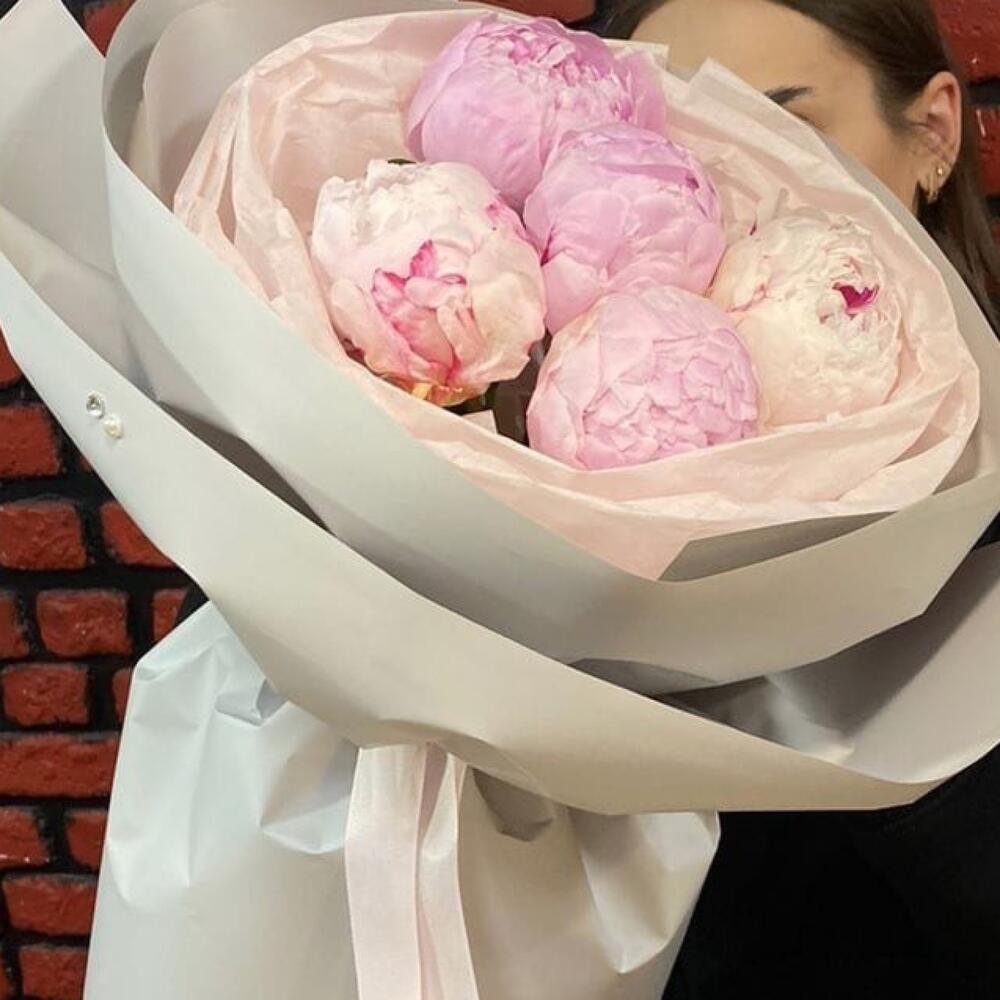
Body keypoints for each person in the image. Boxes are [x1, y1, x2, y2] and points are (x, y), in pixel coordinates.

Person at [592, 2, 1000, 997]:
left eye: (781, 127)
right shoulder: (565, 494)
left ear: (933, 133)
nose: (722, 197)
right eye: (672, 153)